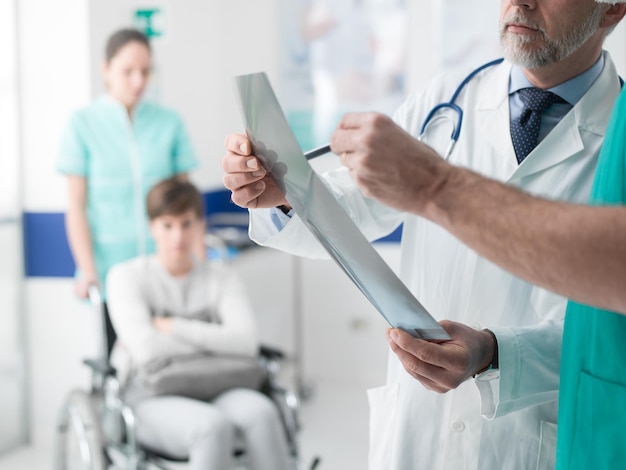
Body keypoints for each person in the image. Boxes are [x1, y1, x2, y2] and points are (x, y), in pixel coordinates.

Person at [221, 0, 626, 468]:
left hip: (528, 440)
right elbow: (356, 207)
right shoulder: (444, 100)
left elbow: (607, 338)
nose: (520, 1)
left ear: (612, 8)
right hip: (418, 426)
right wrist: (286, 193)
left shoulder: (616, 137)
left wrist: (497, 354)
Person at [106, 178, 292, 470]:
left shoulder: (220, 278)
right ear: (152, 226)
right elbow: (147, 350)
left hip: (219, 385)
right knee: (211, 427)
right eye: (167, 225)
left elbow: (245, 343)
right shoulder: (127, 277)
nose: (177, 235)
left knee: (263, 413)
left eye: (186, 223)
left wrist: (173, 327)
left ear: (199, 225)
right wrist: (216, 341)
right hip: (153, 393)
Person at [57, 28, 198, 303]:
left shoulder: (169, 122)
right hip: (108, 271)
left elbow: (186, 203)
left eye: (145, 71)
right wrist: (87, 270)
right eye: (128, 71)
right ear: (106, 69)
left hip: (165, 269)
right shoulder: (81, 124)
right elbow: (76, 206)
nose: (138, 81)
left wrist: (198, 258)